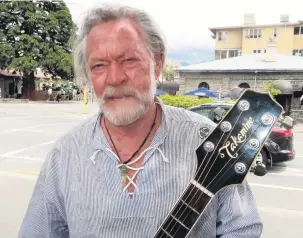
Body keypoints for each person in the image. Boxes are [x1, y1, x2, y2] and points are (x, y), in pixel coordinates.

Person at [18, 5, 263, 238]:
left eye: (129, 61)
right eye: (99, 65)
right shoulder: (64, 155)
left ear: (157, 62)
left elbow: (241, 229)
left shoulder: (208, 139)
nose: (114, 78)